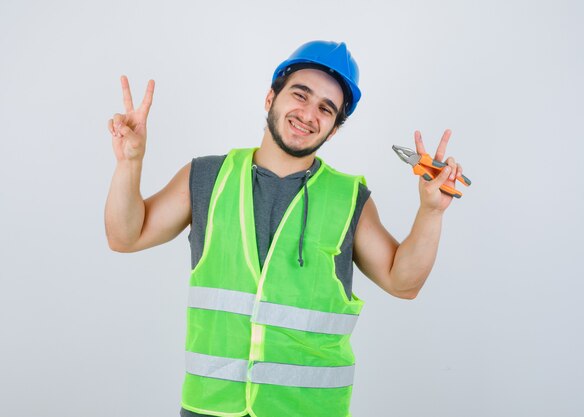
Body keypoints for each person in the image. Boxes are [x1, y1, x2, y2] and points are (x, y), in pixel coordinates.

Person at [105, 40, 465, 417]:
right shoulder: (207, 177)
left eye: (326, 109)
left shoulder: (349, 198)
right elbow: (125, 236)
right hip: (209, 409)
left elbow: (403, 283)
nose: (309, 114)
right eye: (300, 95)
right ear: (270, 97)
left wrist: (431, 211)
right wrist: (130, 162)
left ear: (334, 129)